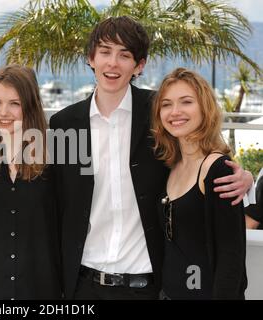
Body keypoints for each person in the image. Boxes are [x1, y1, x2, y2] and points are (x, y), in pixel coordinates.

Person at [49, 16, 254, 300]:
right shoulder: (64, 124)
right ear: (91, 58)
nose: (113, 63)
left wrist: (242, 175)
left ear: (139, 65)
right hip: (83, 286)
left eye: (125, 55)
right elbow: (54, 195)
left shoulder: (159, 111)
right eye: (105, 52)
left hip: (149, 287)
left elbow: (199, 154)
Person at [0, 65, 62, 300]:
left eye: (14, 103)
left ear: (30, 105)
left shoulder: (55, 152)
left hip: (40, 286)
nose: (3, 112)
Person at [152, 68, 247, 299]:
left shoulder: (217, 169)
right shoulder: (170, 166)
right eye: (166, 104)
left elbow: (231, 256)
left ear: (204, 107)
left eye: (186, 102)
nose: (175, 112)